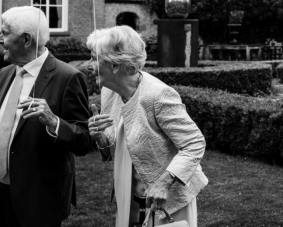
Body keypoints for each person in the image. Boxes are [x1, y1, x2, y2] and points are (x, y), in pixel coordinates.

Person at [0, 6, 93, 227]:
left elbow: (84, 140)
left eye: (5, 33)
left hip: (39, 202)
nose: (0, 39)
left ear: (26, 39)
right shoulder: (4, 74)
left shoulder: (69, 78)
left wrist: (54, 122)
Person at [87, 26, 208, 227]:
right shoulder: (110, 92)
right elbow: (113, 150)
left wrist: (163, 183)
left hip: (165, 200)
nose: (89, 66)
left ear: (116, 64)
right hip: (128, 192)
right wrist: (100, 137)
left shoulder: (158, 95)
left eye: (94, 58)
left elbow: (195, 143)